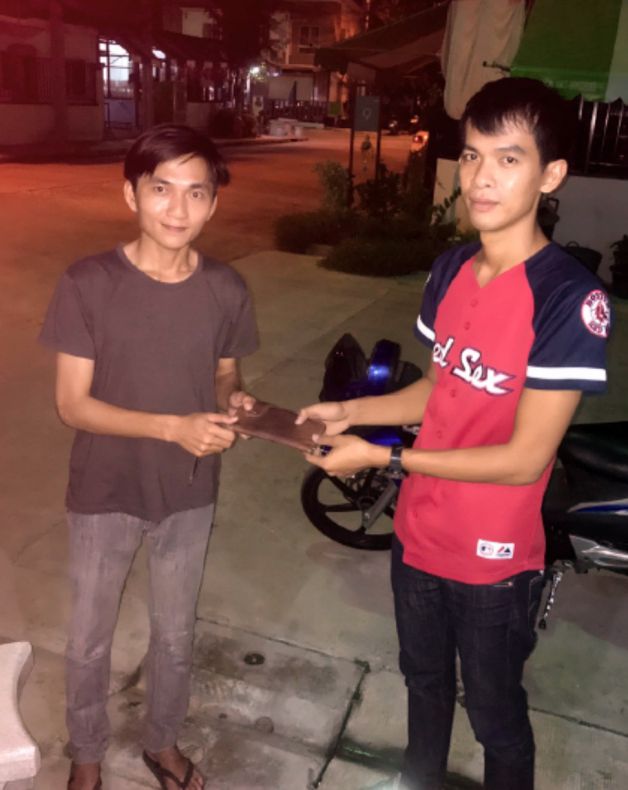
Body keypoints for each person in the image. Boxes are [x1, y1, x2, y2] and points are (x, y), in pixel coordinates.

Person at [297, 77, 610, 790]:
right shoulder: (451, 270)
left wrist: (389, 457)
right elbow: (440, 386)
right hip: (418, 535)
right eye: (471, 156)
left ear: (551, 174)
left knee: (496, 718)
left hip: (493, 561)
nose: (481, 177)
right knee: (424, 685)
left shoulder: (568, 298)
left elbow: (525, 460)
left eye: (508, 158)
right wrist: (354, 413)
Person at [39, 124, 259, 790]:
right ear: (131, 194)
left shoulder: (226, 288)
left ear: (214, 202)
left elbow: (225, 372)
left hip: (189, 490)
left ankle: (162, 743)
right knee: (89, 638)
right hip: (104, 489)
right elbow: (72, 405)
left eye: (197, 192)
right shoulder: (88, 283)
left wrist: (236, 401)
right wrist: (174, 427)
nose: (178, 208)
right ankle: (85, 754)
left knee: (174, 635)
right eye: (161, 189)